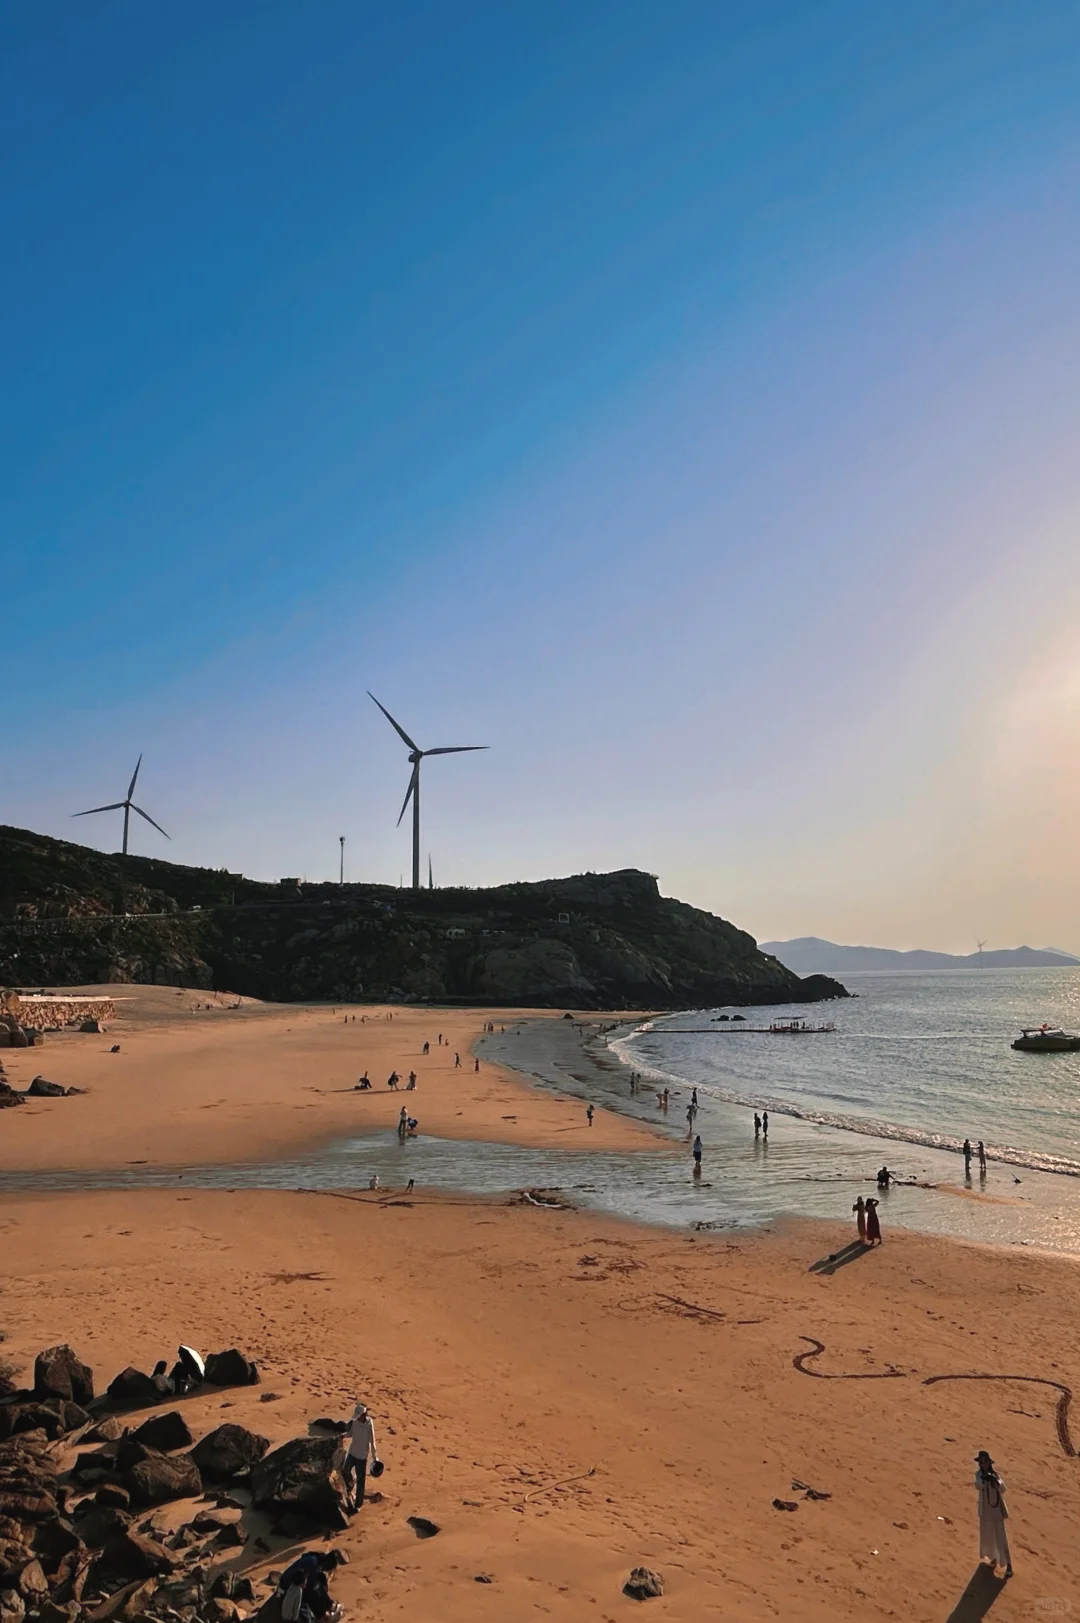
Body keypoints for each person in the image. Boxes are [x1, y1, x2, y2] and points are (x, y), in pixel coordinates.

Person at [974, 1451, 1012, 1577]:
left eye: (985, 1462)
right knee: (989, 1537)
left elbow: (1003, 1488)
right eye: (981, 1462)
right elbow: (978, 1485)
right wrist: (985, 1480)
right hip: (986, 1512)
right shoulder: (979, 1475)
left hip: (996, 1512)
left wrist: (994, 1481)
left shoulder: (996, 1475)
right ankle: (994, 1560)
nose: (983, 1465)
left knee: (1001, 1538)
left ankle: (1009, 1565)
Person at [342, 1401, 378, 1510]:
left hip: (362, 1457)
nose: (358, 1418)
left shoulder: (369, 1423)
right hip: (352, 1452)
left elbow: (372, 1441)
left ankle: (358, 1505)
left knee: (361, 1482)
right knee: (345, 1471)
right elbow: (351, 1433)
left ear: (364, 1414)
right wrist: (343, 1436)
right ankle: (349, 1489)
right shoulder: (355, 1422)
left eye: (359, 1416)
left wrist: (375, 1457)